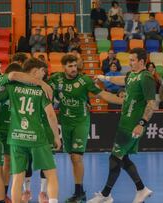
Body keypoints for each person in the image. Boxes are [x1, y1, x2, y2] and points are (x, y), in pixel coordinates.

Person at [0, 58, 61, 203]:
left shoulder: (11, 87)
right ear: (35, 71)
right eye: (43, 72)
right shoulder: (41, 89)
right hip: (37, 137)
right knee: (51, 174)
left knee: (18, 178)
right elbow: (51, 114)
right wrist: (56, 136)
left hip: (16, 138)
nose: (44, 75)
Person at [48, 54, 123, 202]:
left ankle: (79, 193)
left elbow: (103, 95)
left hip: (81, 122)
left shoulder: (84, 80)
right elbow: (46, 91)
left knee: (76, 157)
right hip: (65, 122)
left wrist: (123, 102)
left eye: (75, 65)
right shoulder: (56, 79)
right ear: (64, 67)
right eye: (70, 66)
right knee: (72, 157)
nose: (73, 69)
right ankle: (79, 192)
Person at [90, 48, 156, 203]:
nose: (130, 62)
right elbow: (122, 79)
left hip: (133, 126)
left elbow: (151, 104)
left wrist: (141, 123)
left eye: (133, 60)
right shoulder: (132, 75)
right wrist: (103, 77)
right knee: (123, 158)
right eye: (129, 59)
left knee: (114, 158)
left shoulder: (146, 77)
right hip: (124, 123)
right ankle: (141, 189)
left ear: (141, 61)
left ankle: (106, 195)